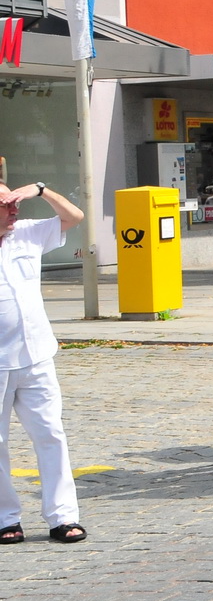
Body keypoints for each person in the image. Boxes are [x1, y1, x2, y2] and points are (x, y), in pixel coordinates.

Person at [0, 181, 88, 544]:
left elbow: (74, 217)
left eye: (13, 201)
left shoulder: (27, 234)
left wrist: (39, 190)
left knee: (51, 434)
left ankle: (62, 516)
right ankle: (6, 518)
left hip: (36, 354)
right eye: (6, 204)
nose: (14, 209)